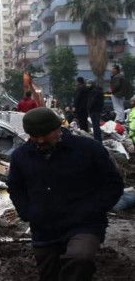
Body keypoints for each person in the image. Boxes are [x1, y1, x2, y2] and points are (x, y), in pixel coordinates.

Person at [8, 107, 123, 281]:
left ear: (57, 129)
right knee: (49, 274)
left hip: (84, 223)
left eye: (45, 134)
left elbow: (112, 184)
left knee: (79, 257)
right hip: (44, 228)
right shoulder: (21, 156)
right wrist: (28, 212)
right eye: (34, 135)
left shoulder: (88, 149)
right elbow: (16, 187)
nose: (39, 140)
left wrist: (93, 209)